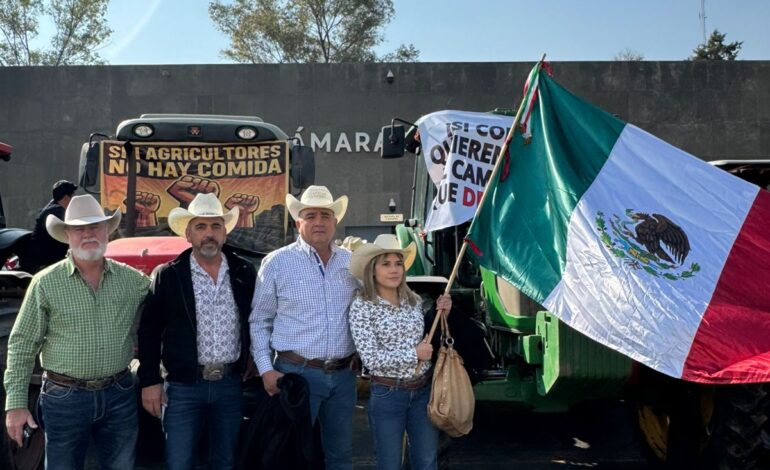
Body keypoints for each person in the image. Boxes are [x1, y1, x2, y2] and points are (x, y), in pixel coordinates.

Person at [3, 194, 150, 469]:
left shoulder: (132, 280)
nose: (88, 234)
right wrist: (16, 405)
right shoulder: (45, 283)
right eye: (79, 228)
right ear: (67, 234)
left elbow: (167, 303)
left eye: (95, 226)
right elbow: (22, 344)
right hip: (64, 399)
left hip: (119, 393)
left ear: (107, 231)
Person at [137, 192, 256, 470]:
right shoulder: (169, 274)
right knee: (179, 462)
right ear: (188, 234)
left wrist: (253, 358)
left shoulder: (242, 272)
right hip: (182, 387)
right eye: (200, 227)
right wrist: (150, 381)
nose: (209, 234)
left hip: (229, 384)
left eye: (215, 226)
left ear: (225, 232)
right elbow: (149, 331)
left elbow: (256, 320)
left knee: (225, 461)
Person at [250, 185, 359, 470]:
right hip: (295, 375)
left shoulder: (352, 263)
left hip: (343, 377)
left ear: (335, 221)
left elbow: (367, 310)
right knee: (291, 455)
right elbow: (259, 320)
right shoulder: (276, 262)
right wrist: (265, 369)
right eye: (310, 215)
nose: (319, 222)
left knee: (340, 455)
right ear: (298, 222)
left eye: (325, 215)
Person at [348, 234, 452, 470]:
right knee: (389, 463)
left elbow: (429, 341)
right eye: (386, 264)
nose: (394, 270)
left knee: (426, 462)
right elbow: (371, 359)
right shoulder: (362, 306)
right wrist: (413, 354)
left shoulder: (413, 300)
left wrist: (443, 313)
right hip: (388, 393)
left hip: (422, 391)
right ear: (372, 270)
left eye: (398, 263)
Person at [25, 179, 78, 272]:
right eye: (72, 196)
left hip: (48, 261)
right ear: (66, 198)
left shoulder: (52, 208)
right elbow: (73, 230)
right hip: (45, 265)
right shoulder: (57, 212)